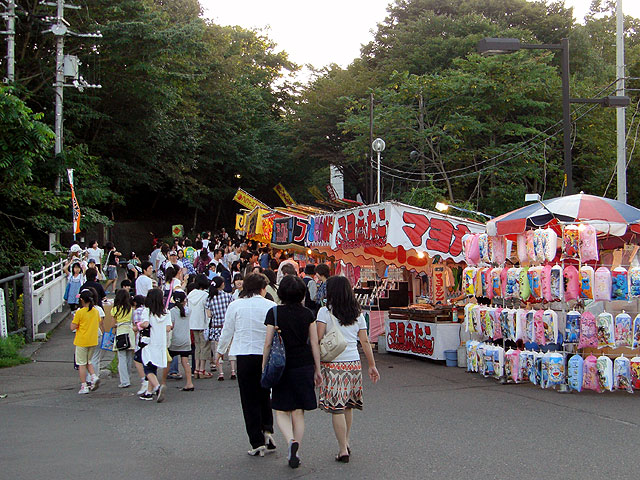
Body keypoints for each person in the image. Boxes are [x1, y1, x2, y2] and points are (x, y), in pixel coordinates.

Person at [316, 276, 380, 463]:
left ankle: (342, 448)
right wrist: (372, 365)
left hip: (333, 364)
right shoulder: (357, 313)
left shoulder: (324, 313)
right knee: (348, 405)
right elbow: (365, 341)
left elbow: (319, 338)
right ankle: (346, 441)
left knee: (337, 408)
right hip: (353, 363)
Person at [262, 275, 322, 468]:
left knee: (281, 410)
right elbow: (314, 343)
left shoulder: (274, 313)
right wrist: (317, 369)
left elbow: (268, 343)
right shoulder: (308, 314)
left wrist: (263, 366)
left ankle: (290, 442)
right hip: (304, 364)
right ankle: (296, 448)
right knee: (299, 411)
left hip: (282, 366)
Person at [216, 273, 277, 457]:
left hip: (243, 354)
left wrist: (220, 351)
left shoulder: (235, 305)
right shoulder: (271, 306)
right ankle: (267, 429)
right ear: (261, 288)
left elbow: (227, 330)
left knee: (248, 398)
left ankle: (256, 441)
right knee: (265, 393)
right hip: (264, 355)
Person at [139, 288, 172, 402]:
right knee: (154, 367)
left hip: (149, 342)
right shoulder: (166, 312)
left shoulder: (147, 311)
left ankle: (157, 388)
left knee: (147, 368)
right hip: (161, 343)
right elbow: (168, 328)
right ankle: (149, 392)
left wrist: (139, 325)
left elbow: (145, 323)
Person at [70, 290, 103, 394]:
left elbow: (72, 327)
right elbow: (99, 322)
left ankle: (84, 385)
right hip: (93, 340)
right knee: (89, 361)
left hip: (82, 340)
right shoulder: (95, 311)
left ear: (82, 300)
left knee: (81, 364)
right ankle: (94, 376)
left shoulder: (79, 312)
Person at [206, 277, 235, 380]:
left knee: (219, 349)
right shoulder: (229, 296)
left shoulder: (209, 298)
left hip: (216, 327)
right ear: (222, 284)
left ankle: (221, 373)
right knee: (230, 349)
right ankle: (232, 371)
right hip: (228, 326)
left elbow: (209, 315)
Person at [168, 290, 194, 391]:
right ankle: (189, 383)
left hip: (175, 340)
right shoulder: (188, 311)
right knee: (185, 361)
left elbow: (171, 326)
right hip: (185, 339)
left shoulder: (172, 312)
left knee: (168, 361)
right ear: (185, 301)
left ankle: (162, 383)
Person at [188, 274, 213, 378]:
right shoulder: (205, 295)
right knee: (205, 347)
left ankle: (196, 369)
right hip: (203, 324)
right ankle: (202, 369)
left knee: (197, 347)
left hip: (192, 324)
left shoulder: (190, 295)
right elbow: (207, 312)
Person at [112, 289, 136, 388]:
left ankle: (124, 380)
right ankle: (128, 377)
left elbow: (113, 324)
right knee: (129, 356)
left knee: (121, 357)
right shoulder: (131, 309)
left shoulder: (115, 309)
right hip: (130, 332)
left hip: (120, 332)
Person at [131, 294, 149, 395]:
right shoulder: (148, 310)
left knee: (138, 360)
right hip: (150, 339)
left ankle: (145, 380)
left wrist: (135, 327)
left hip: (142, 339)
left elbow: (138, 326)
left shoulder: (137, 311)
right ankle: (150, 382)